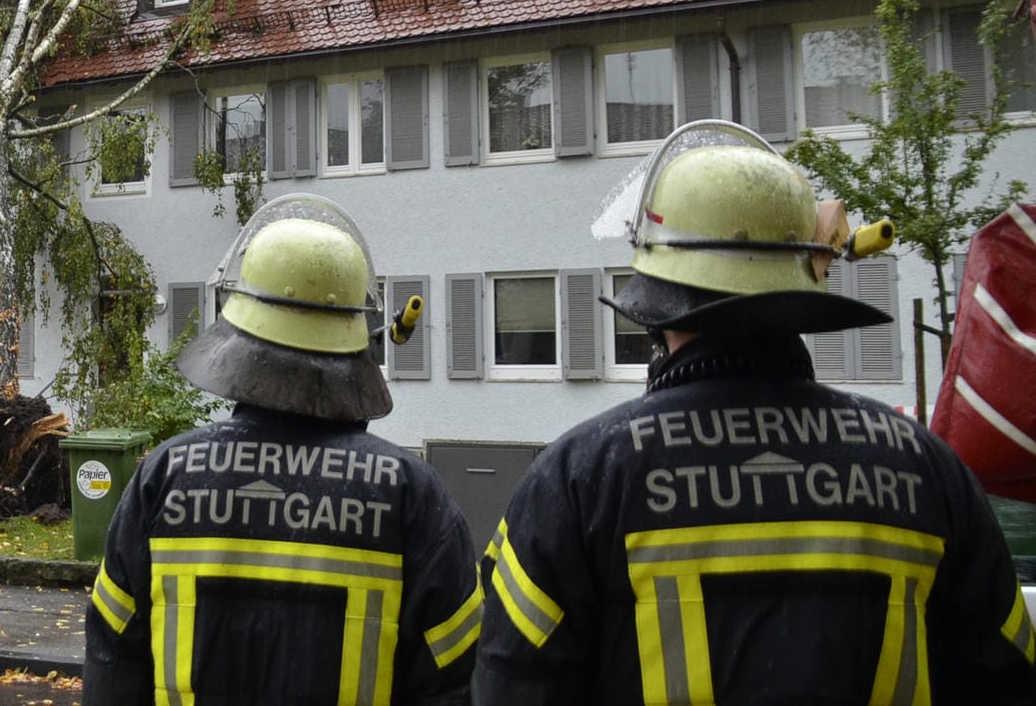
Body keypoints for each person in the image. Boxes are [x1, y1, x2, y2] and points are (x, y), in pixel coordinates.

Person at [472, 120, 1036, 704]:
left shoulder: (580, 478)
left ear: (658, 308)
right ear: (808, 280)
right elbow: (1006, 678)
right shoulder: (930, 472)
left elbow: (510, 682)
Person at [84, 194, 482, 704]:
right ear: (356, 339)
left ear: (239, 337)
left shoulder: (166, 476)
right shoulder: (410, 493)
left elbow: (113, 659)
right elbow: (455, 678)